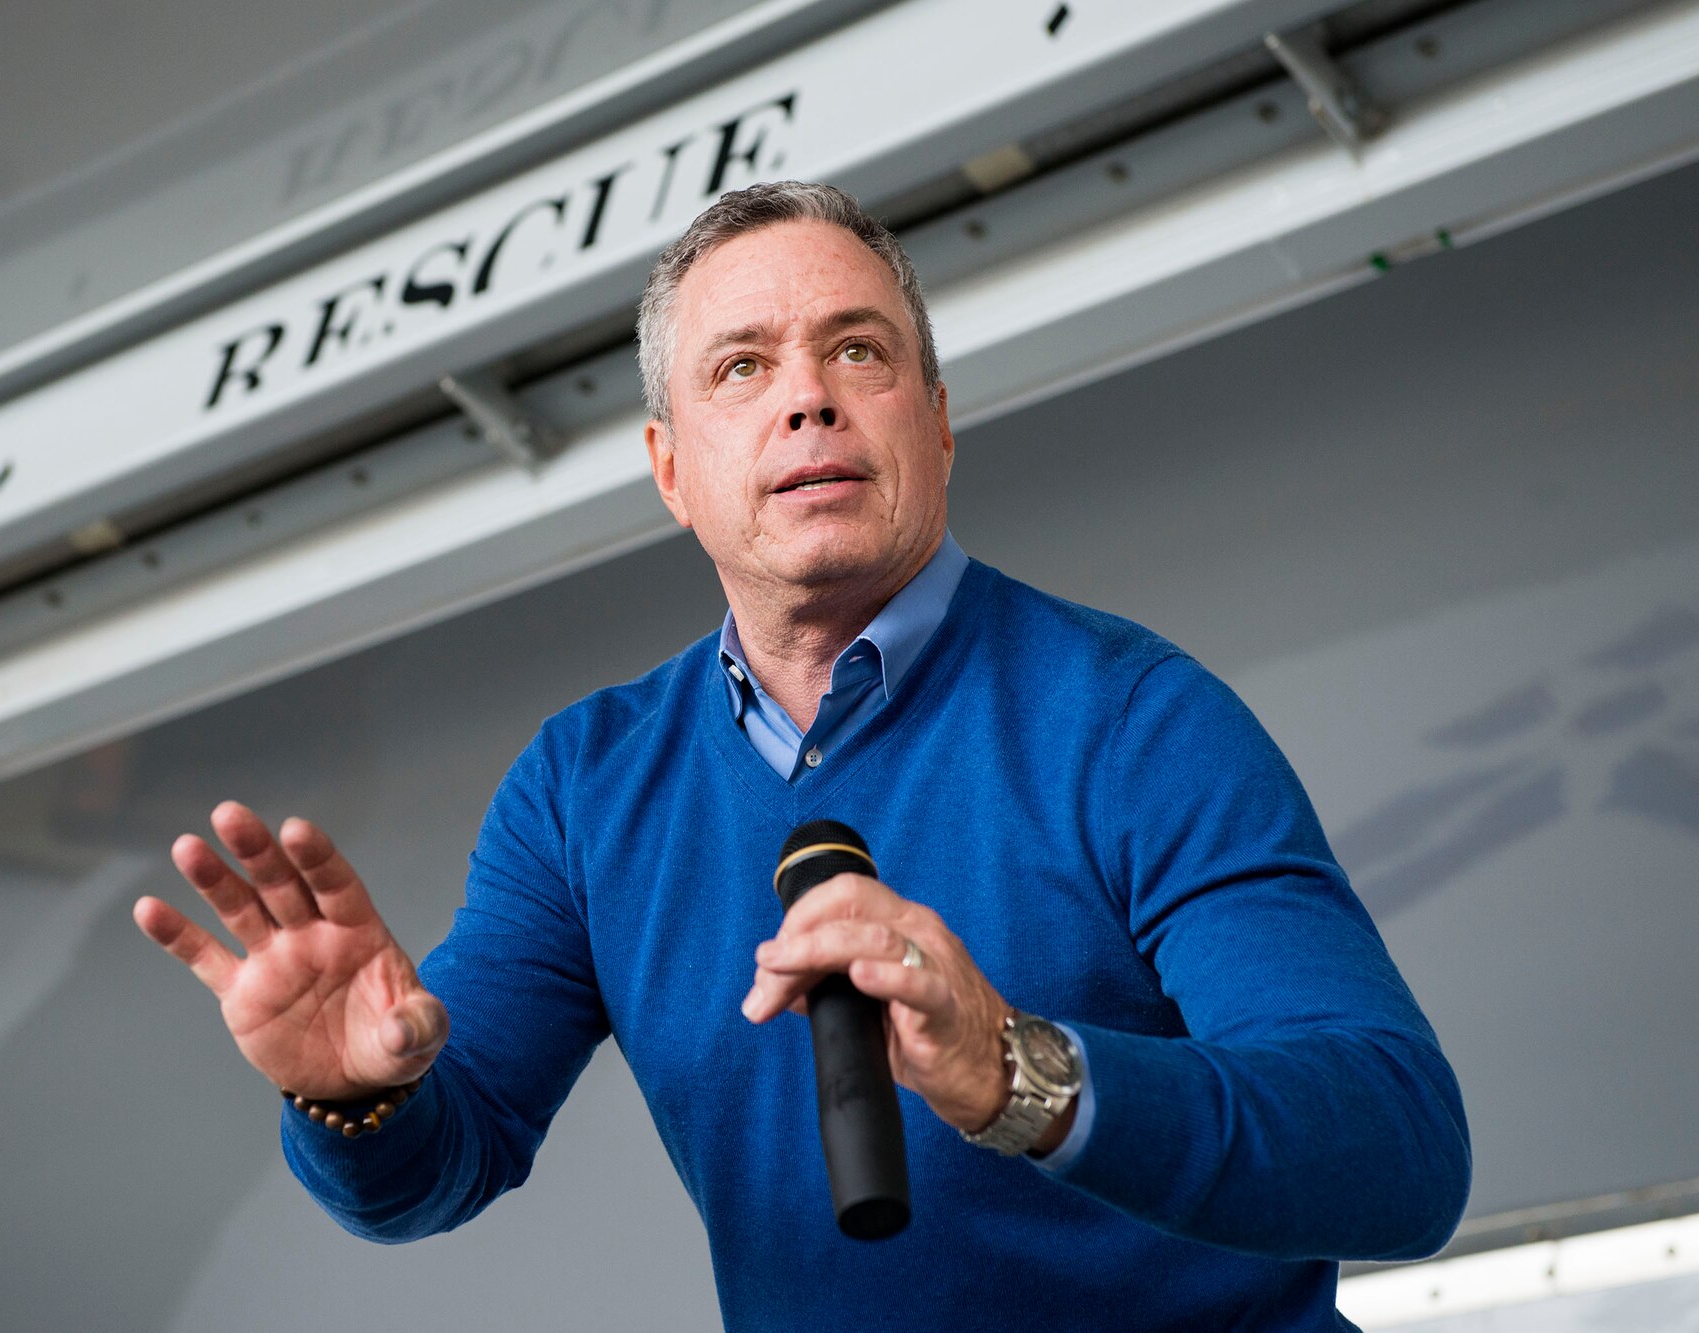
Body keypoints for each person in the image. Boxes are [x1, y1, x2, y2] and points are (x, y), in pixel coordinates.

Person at [134, 181, 1471, 1329]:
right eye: (742, 368)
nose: (810, 401)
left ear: (935, 423)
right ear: (671, 469)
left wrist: (1019, 1070)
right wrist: (353, 1098)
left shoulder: (1136, 719)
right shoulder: (584, 787)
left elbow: (1400, 1146)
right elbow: (447, 1154)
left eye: (858, 352)